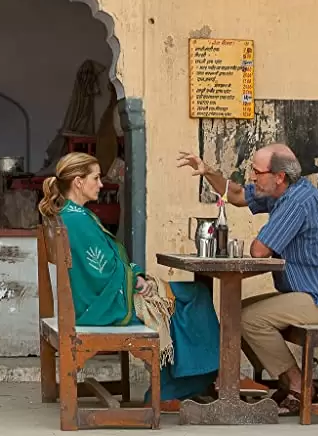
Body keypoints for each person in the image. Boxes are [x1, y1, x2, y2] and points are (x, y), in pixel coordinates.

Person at [177, 144, 318, 415]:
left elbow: (259, 250)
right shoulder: (279, 193)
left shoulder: (297, 201)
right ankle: (285, 382)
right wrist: (207, 171)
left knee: (247, 319)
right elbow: (235, 195)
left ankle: (299, 385)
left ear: (279, 176)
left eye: (257, 172)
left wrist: (264, 235)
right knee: (237, 314)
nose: (252, 178)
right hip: (304, 292)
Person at [39, 152, 219, 405]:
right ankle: (182, 385)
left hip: (94, 300)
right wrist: (137, 278)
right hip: (101, 306)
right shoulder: (76, 220)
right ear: (78, 182)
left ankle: (191, 379)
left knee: (186, 294)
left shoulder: (70, 216)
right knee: (194, 295)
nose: (101, 184)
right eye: (96, 177)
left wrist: (137, 276)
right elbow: (103, 270)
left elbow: (104, 264)